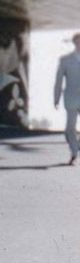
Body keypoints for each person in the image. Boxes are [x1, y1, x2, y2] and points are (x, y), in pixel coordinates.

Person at [53, 32, 80, 166]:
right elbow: (58, 80)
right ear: (74, 43)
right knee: (70, 129)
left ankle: (77, 148)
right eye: (77, 41)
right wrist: (56, 98)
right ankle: (74, 151)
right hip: (71, 98)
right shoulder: (65, 60)